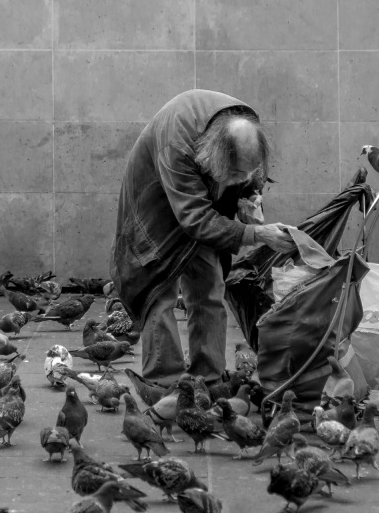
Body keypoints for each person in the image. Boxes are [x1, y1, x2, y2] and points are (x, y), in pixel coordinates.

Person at [110, 89, 295, 388]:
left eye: (245, 173)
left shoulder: (247, 130)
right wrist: (257, 233)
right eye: (235, 174)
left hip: (205, 205)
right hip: (157, 208)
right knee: (159, 292)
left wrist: (249, 196)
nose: (240, 179)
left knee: (209, 286)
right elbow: (195, 218)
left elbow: (251, 173)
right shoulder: (176, 145)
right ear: (214, 157)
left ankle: (208, 379)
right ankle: (166, 384)